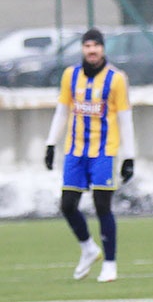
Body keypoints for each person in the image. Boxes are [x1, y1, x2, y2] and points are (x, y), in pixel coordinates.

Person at [45, 27, 135, 283]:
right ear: (82, 49)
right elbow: (62, 111)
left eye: (96, 45)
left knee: (102, 205)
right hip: (75, 150)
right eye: (87, 46)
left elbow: (125, 119)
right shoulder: (70, 76)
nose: (92, 50)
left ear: (103, 48)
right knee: (67, 205)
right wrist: (51, 143)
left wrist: (129, 157)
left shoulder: (116, 79)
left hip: (104, 152)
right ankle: (88, 248)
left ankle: (109, 263)